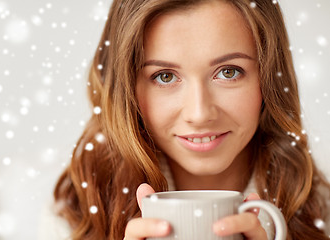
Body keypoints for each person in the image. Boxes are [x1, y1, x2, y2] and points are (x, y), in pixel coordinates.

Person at [47, 0, 330, 239]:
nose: (199, 114)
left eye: (228, 72)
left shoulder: (320, 210)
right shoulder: (75, 214)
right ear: (127, 90)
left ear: (268, 78)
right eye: (165, 77)